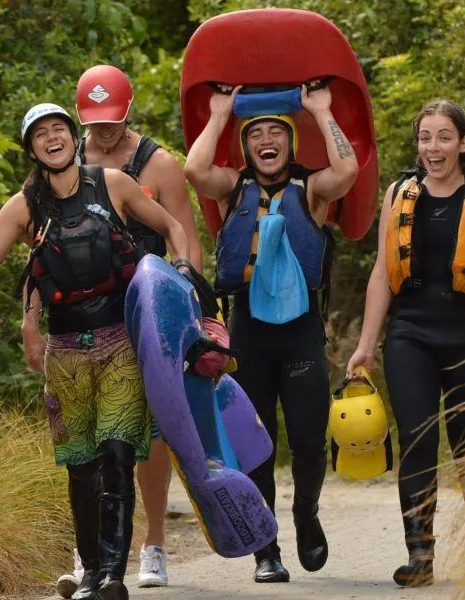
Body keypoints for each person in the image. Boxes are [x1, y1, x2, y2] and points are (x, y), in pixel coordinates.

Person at [0, 102, 191, 600]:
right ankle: (90, 574)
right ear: (31, 148)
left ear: (71, 138)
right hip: (65, 352)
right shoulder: (24, 207)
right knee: (82, 465)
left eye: (60, 128)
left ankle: (113, 577)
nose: (53, 137)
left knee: (119, 454)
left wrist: (182, 275)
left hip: (121, 340)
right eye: (41, 134)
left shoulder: (113, 182)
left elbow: (172, 227)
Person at [346, 100, 465, 587]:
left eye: (444, 136)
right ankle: (419, 554)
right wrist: (366, 345)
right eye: (425, 137)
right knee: (417, 441)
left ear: (462, 143)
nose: (434, 147)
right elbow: (383, 276)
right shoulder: (399, 194)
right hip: (410, 336)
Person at [36, 64, 204, 596]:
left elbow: (185, 235)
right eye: (93, 122)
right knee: (89, 438)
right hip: (92, 310)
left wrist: (188, 299)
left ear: (128, 112)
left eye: (111, 121)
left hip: (149, 303)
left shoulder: (157, 163)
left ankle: (152, 542)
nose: (102, 131)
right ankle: (90, 554)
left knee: (146, 432)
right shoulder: (66, 159)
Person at [184, 84, 359, 583]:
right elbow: (194, 169)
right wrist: (219, 114)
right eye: (256, 133)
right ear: (245, 147)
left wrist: (321, 110)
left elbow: (347, 170)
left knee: (307, 440)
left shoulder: (314, 189)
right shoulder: (232, 188)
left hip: (300, 331)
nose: (266, 140)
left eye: (275, 133)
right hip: (249, 331)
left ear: (289, 144)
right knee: (256, 441)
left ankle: (306, 513)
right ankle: (266, 546)